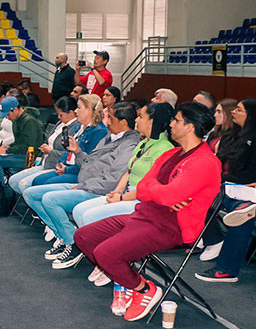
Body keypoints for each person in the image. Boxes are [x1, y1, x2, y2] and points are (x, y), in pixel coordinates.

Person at [75, 102, 221, 322]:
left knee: (105, 253)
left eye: (176, 120)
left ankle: (144, 289)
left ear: (190, 127)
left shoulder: (205, 162)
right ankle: (126, 280)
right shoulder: (172, 153)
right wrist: (162, 192)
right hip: (145, 215)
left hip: (172, 227)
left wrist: (162, 193)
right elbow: (143, 187)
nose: (170, 124)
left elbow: (166, 195)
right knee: (83, 236)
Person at [24, 102, 140, 269]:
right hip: (85, 183)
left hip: (98, 190)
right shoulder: (109, 136)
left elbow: (114, 179)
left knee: (50, 199)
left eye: (111, 118)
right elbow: (89, 163)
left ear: (122, 122)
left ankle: (73, 243)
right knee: (31, 194)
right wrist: (78, 152)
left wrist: (83, 185)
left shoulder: (129, 145)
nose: (107, 121)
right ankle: (65, 237)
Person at [72, 103, 175, 229]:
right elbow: (129, 171)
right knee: (79, 210)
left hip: (142, 200)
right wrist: (117, 191)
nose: (136, 120)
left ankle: (99, 246)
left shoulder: (165, 149)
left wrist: (121, 198)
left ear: (151, 122)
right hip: (126, 194)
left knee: (89, 216)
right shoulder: (144, 143)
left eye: (141, 117)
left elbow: (150, 187)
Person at [196, 98, 256, 268]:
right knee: (199, 190)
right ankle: (213, 237)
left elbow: (253, 173)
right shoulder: (235, 135)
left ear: (250, 115)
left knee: (205, 194)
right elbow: (221, 162)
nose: (234, 112)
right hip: (232, 184)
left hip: (246, 186)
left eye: (239, 110)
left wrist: (222, 180)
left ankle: (217, 242)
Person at [29, 94, 108, 187]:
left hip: (80, 173)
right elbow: (68, 149)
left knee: (44, 185)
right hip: (67, 167)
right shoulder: (79, 127)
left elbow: (90, 163)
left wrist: (67, 170)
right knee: (37, 181)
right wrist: (61, 163)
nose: (75, 111)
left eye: (79, 108)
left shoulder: (99, 131)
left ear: (90, 110)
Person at [8, 96, 80, 195]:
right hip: (44, 162)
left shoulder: (75, 128)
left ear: (71, 113)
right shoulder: (61, 123)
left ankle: (32, 201)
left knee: (23, 184)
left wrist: (50, 151)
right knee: (13, 180)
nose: (58, 117)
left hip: (55, 165)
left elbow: (69, 154)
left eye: (61, 115)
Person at [0, 94, 43, 186]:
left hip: (30, 157)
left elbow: (29, 147)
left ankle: (1, 192)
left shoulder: (29, 122)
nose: (6, 117)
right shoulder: (17, 120)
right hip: (21, 153)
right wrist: (8, 146)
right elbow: (19, 141)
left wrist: (7, 150)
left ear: (15, 109)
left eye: (7, 114)